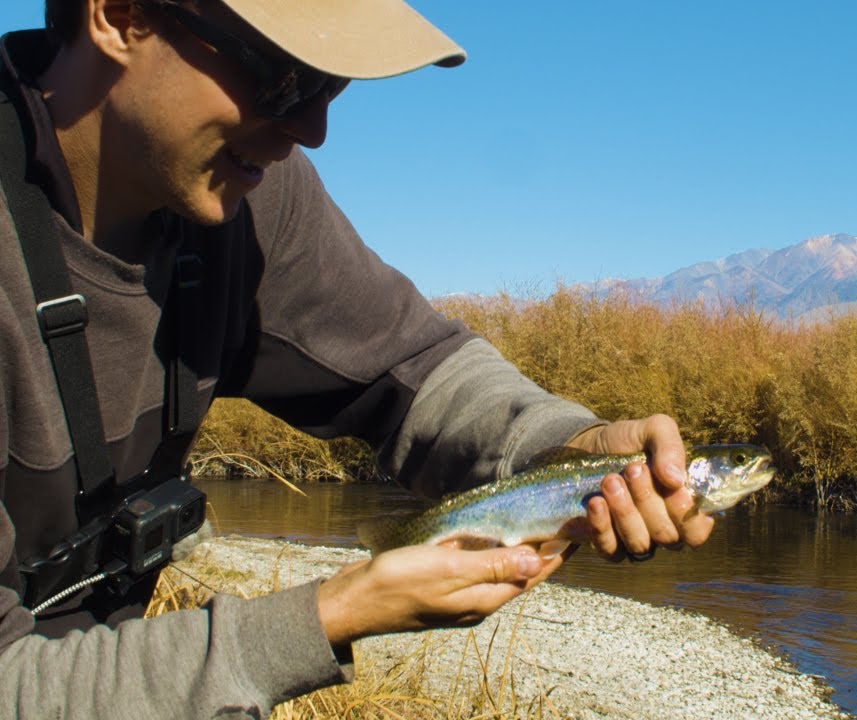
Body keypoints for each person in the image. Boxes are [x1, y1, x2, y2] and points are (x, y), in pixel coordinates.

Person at [0, 0, 716, 716]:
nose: (312, 130)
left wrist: (569, 446)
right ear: (119, 15)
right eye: (282, 79)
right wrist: (329, 616)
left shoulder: (252, 202)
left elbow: (416, 365)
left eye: (331, 86)